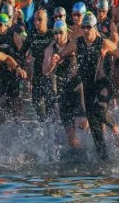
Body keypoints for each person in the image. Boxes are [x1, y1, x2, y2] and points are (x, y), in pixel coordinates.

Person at [57, 13, 119, 160]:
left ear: (94, 28)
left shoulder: (103, 43)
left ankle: (115, 129)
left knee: (99, 110)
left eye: (88, 27)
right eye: (83, 27)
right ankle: (104, 161)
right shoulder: (77, 43)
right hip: (88, 87)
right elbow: (63, 53)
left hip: (103, 84)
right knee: (96, 130)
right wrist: (57, 57)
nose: (85, 30)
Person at [42, 19, 81, 148]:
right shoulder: (50, 49)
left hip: (77, 91)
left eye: (61, 32)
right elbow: (45, 71)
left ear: (67, 33)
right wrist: (52, 64)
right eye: (55, 33)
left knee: (83, 124)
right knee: (70, 134)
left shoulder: (74, 44)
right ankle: (78, 154)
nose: (58, 36)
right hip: (63, 93)